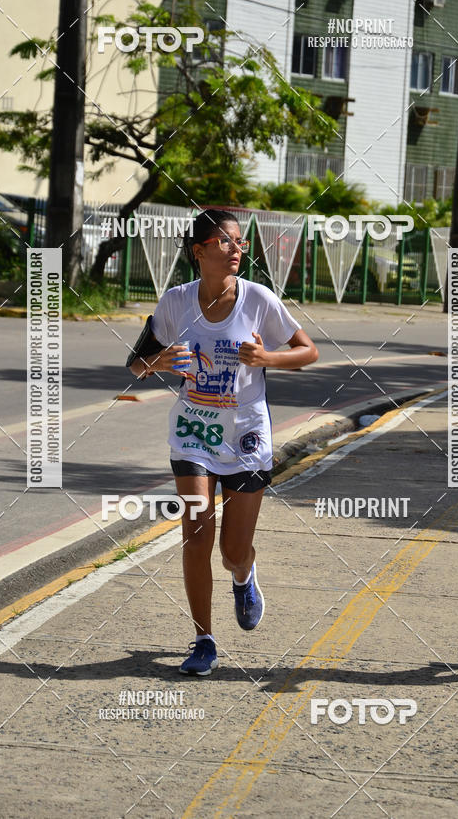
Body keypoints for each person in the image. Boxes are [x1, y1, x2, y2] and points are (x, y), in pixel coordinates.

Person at [128, 209, 319, 675]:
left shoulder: (258, 299)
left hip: (247, 436)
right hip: (193, 434)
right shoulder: (175, 302)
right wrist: (162, 362)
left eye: (239, 242)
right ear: (200, 251)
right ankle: (203, 640)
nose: (238, 250)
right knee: (196, 534)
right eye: (226, 242)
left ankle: (243, 575)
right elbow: (135, 364)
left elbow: (309, 351)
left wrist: (268, 356)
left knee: (233, 550)